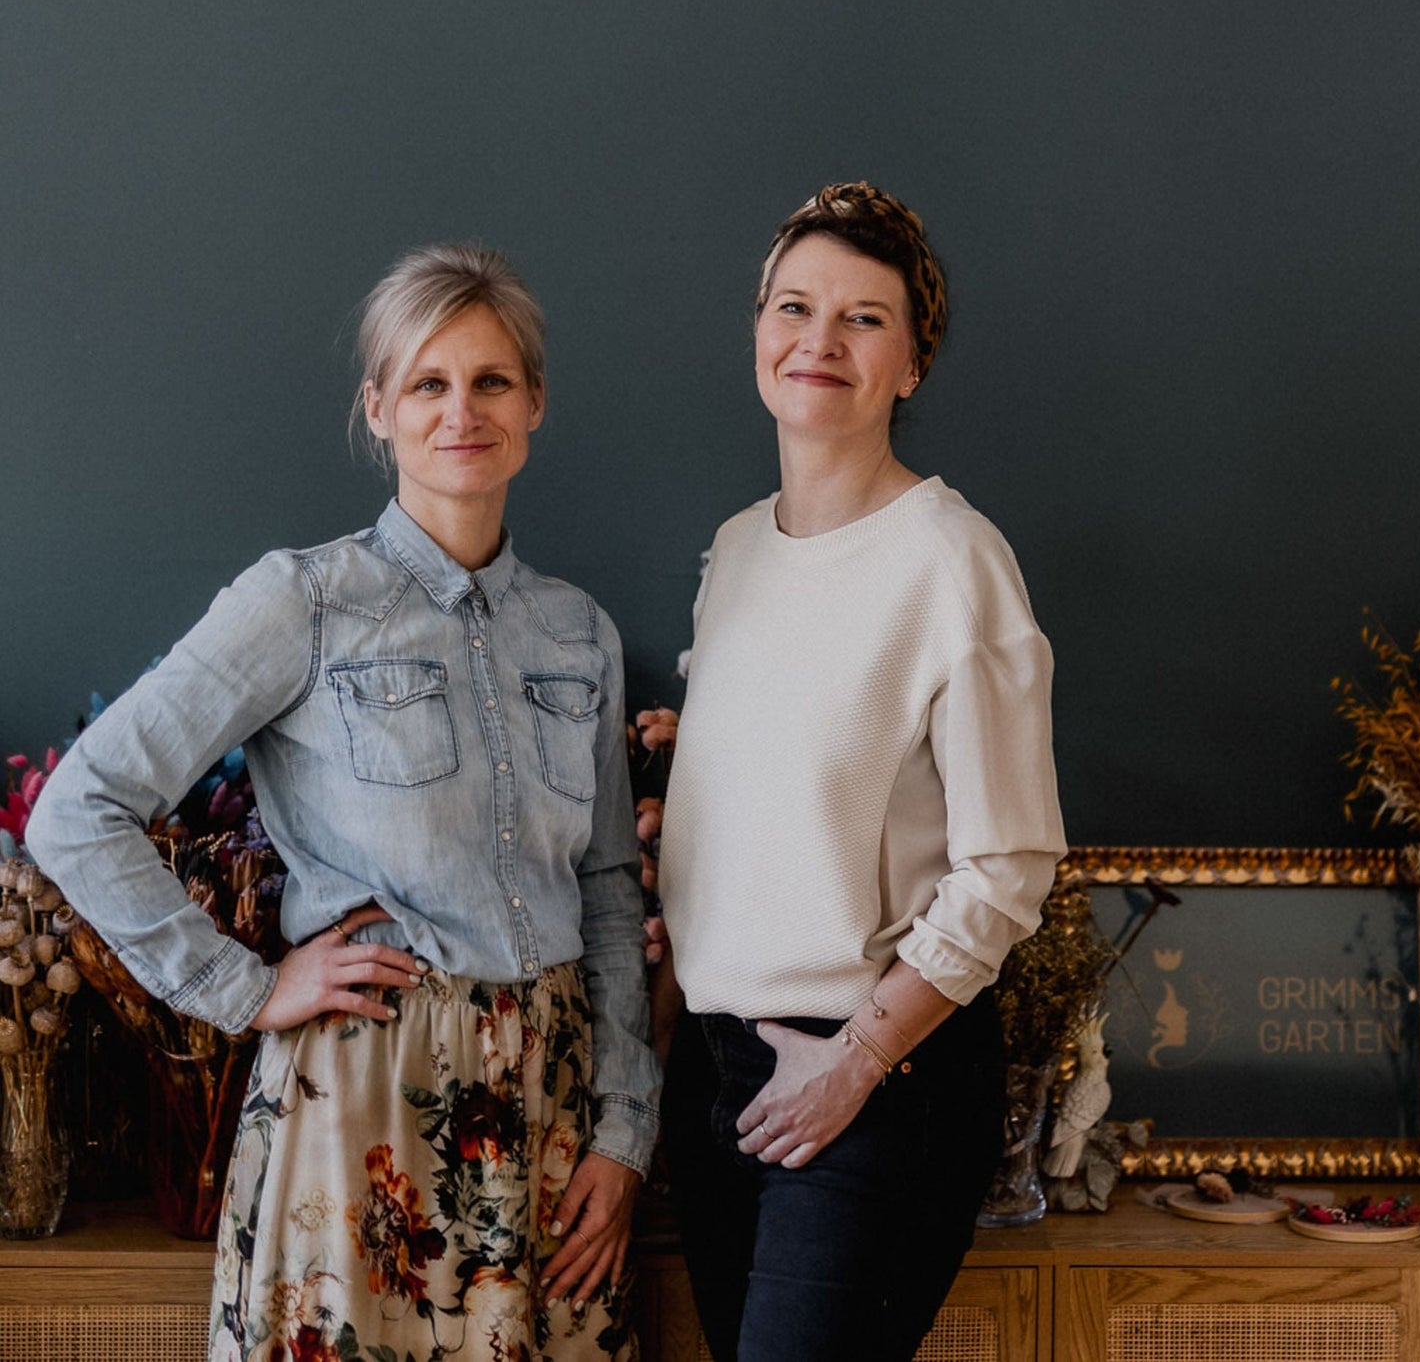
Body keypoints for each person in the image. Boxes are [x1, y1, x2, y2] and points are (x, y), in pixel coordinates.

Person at [28, 244, 658, 1362]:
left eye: (492, 381)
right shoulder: (302, 603)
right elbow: (77, 808)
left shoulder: (581, 632)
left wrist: (625, 1131)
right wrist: (247, 989)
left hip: (558, 1122)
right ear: (379, 407)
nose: (461, 410)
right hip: (361, 1106)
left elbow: (608, 891)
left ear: (535, 403)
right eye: (428, 382)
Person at [655, 183, 1067, 1362]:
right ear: (757, 334)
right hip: (722, 1070)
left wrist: (860, 1060)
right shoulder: (735, 551)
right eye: (794, 307)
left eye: (863, 318)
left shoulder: (954, 562)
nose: (818, 341)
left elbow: (1006, 867)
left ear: (913, 364)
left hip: (878, 1075)